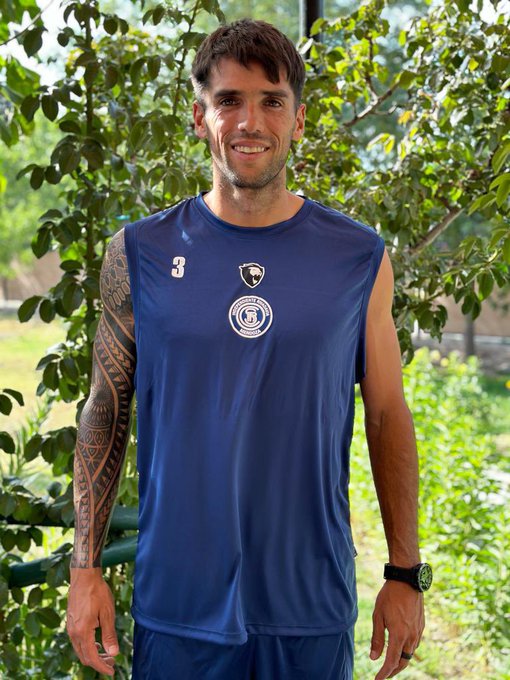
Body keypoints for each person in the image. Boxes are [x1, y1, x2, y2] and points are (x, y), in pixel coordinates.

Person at [66, 18, 432, 680]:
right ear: (200, 118)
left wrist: (405, 572)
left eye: (272, 101)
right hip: (178, 607)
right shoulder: (139, 253)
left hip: (308, 606)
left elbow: (386, 415)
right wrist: (84, 568)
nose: (249, 121)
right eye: (229, 100)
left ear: (298, 119)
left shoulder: (358, 257)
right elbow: (106, 407)